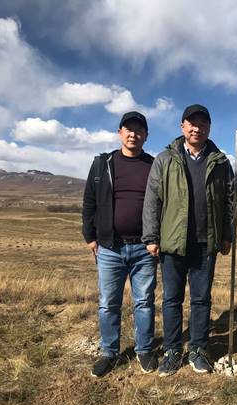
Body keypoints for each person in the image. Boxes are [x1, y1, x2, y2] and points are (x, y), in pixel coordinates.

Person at [142, 104, 234, 376]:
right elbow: (152, 200)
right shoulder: (165, 159)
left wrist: (227, 235)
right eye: (192, 123)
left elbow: (230, 202)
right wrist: (151, 236)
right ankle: (172, 351)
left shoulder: (220, 162)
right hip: (172, 243)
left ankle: (198, 349)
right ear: (182, 126)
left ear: (209, 128)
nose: (197, 128)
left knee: (201, 300)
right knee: (172, 299)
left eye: (203, 124)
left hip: (206, 243)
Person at [82, 111, 157, 377]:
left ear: (146, 135)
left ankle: (144, 350)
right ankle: (109, 353)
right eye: (128, 129)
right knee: (108, 303)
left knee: (144, 302)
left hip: (145, 249)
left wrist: (156, 239)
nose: (133, 134)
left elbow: (162, 203)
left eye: (139, 130)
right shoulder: (103, 164)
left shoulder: (154, 165)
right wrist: (90, 236)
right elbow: (89, 201)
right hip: (109, 247)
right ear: (119, 132)